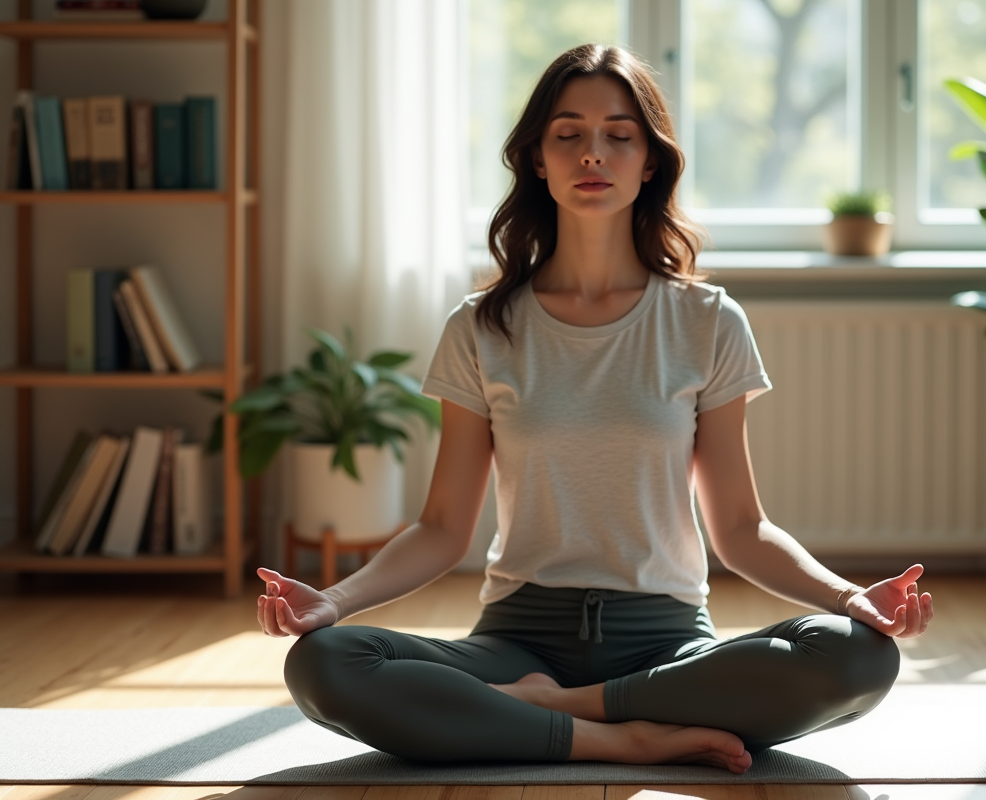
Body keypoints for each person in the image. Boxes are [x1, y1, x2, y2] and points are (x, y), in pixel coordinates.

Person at [257, 43, 934, 775]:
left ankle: (551, 713)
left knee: (856, 656)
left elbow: (740, 529)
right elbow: (442, 527)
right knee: (324, 662)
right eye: (568, 133)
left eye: (619, 134)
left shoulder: (708, 321)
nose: (593, 154)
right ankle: (626, 734)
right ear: (537, 160)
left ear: (650, 162)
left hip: (666, 642)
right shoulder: (481, 327)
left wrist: (849, 596)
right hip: (517, 639)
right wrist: (333, 600)